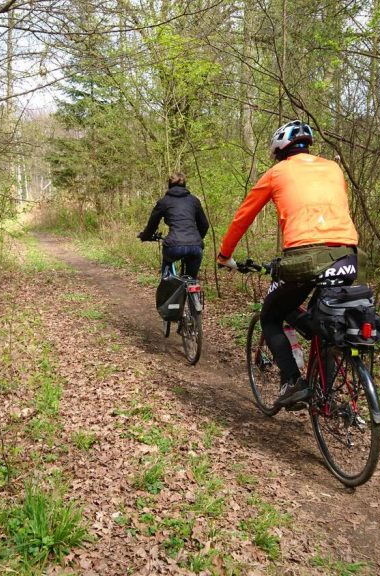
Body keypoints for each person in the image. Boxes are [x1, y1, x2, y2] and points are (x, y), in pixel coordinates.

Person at [216, 120, 360, 409]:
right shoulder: (333, 168)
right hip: (347, 255)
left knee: (270, 315)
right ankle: (325, 396)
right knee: (325, 321)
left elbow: (243, 216)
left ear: (280, 150)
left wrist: (224, 255)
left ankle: (293, 381)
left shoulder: (276, 173)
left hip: (306, 258)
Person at [137, 172, 210, 279]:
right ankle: (192, 292)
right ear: (184, 185)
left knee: (168, 276)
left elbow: (152, 224)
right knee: (191, 280)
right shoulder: (194, 200)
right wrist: (196, 240)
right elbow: (204, 225)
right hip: (196, 247)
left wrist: (145, 236)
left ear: (169, 185)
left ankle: (167, 285)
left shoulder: (164, 202)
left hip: (174, 246)